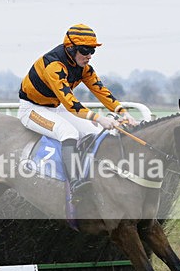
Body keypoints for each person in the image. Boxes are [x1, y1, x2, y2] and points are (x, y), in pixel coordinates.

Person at [18, 24, 137, 199]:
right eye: (85, 50)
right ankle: (75, 184)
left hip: (55, 107)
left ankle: (95, 176)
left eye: (92, 51)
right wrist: (99, 118)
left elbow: (100, 90)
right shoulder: (54, 66)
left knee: (95, 132)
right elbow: (71, 103)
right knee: (69, 132)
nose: (89, 56)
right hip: (32, 109)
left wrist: (123, 112)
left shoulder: (83, 67)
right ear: (71, 48)